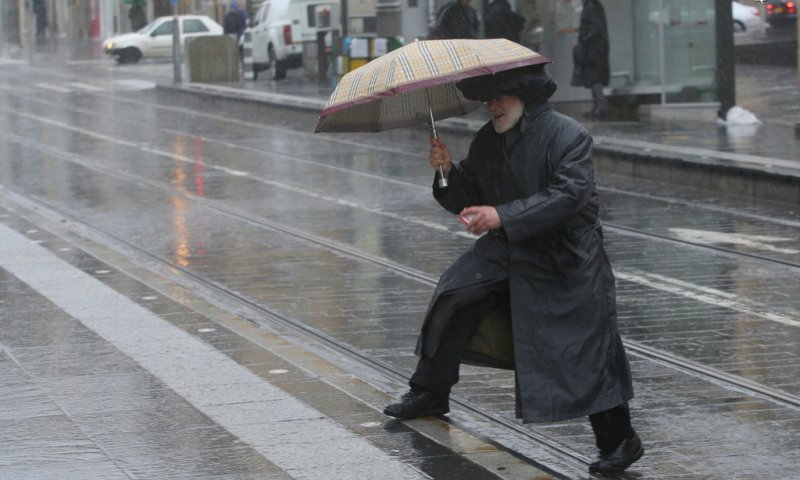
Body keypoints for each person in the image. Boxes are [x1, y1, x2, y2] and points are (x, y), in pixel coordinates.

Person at [383, 64, 644, 475]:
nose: (493, 106)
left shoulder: (567, 134)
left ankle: (619, 439)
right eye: (488, 99)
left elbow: (567, 195)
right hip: (511, 248)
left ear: (525, 96)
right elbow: (468, 195)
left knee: (584, 349)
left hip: (566, 259)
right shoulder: (490, 139)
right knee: (458, 294)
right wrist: (447, 171)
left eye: (501, 97)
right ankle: (430, 390)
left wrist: (502, 215)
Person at [571, 0, 610, 119]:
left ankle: (601, 107)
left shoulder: (592, 6)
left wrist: (583, 41)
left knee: (594, 78)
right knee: (593, 78)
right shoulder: (592, 5)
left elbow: (594, 28)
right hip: (595, 47)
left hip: (594, 48)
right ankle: (598, 106)